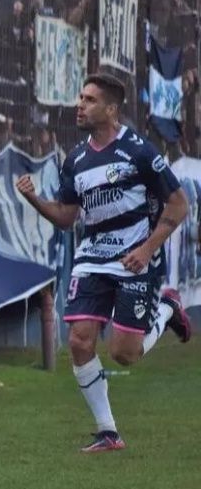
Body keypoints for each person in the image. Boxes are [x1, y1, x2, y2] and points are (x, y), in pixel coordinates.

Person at [16, 73, 193, 452]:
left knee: (123, 354)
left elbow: (179, 205)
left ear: (111, 110)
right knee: (79, 341)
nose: (79, 105)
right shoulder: (76, 159)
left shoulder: (140, 151)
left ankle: (167, 308)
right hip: (93, 258)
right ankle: (108, 431)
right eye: (80, 98)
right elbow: (67, 217)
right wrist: (34, 199)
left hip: (134, 259)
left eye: (89, 100)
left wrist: (146, 249)